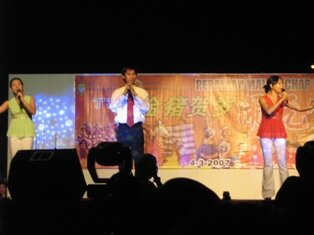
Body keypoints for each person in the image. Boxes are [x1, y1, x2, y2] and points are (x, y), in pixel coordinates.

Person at [257, 75, 314, 200]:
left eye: (282, 84)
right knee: (268, 164)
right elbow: (269, 111)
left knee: (282, 163)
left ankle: (286, 193)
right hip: (265, 133)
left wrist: (311, 106)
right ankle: (267, 194)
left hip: (279, 133)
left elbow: (299, 108)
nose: (282, 86)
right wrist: (281, 98)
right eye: (279, 84)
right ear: (271, 85)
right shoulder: (263, 98)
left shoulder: (282, 99)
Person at [109, 66, 150, 174]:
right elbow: (113, 107)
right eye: (128, 74)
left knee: (138, 156)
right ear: (123, 76)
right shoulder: (117, 92)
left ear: (136, 76)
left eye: (133, 74)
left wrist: (135, 94)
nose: (131, 76)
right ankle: (124, 181)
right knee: (122, 155)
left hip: (136, 127)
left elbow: (146, 108)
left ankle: (139, 181)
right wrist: (124, 94)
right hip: (123, 127)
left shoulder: (142, 92)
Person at [0, 77, 36, 164]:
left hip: (27, 129)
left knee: (27, 157)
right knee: (15, 158)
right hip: (14, 130)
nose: (17, 87)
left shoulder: (30, 98)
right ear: (11, 88)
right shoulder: (9, 102)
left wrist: (22, 100)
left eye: (19, 84)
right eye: (14, 85)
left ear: (22, 86)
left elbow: (33, 111)